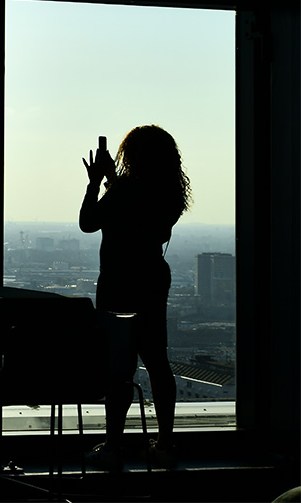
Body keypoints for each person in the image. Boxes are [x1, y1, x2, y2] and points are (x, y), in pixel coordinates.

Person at [79, 124, 192, 471]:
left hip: (118, 282)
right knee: (157, 362)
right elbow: (140, 218)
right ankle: (165, 444)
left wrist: (95, 182)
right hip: (152, 280)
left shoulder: (125, 190)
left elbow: (89, 222)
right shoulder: (169, 194)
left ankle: (113, 447)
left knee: (120, 368)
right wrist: (113, 181)